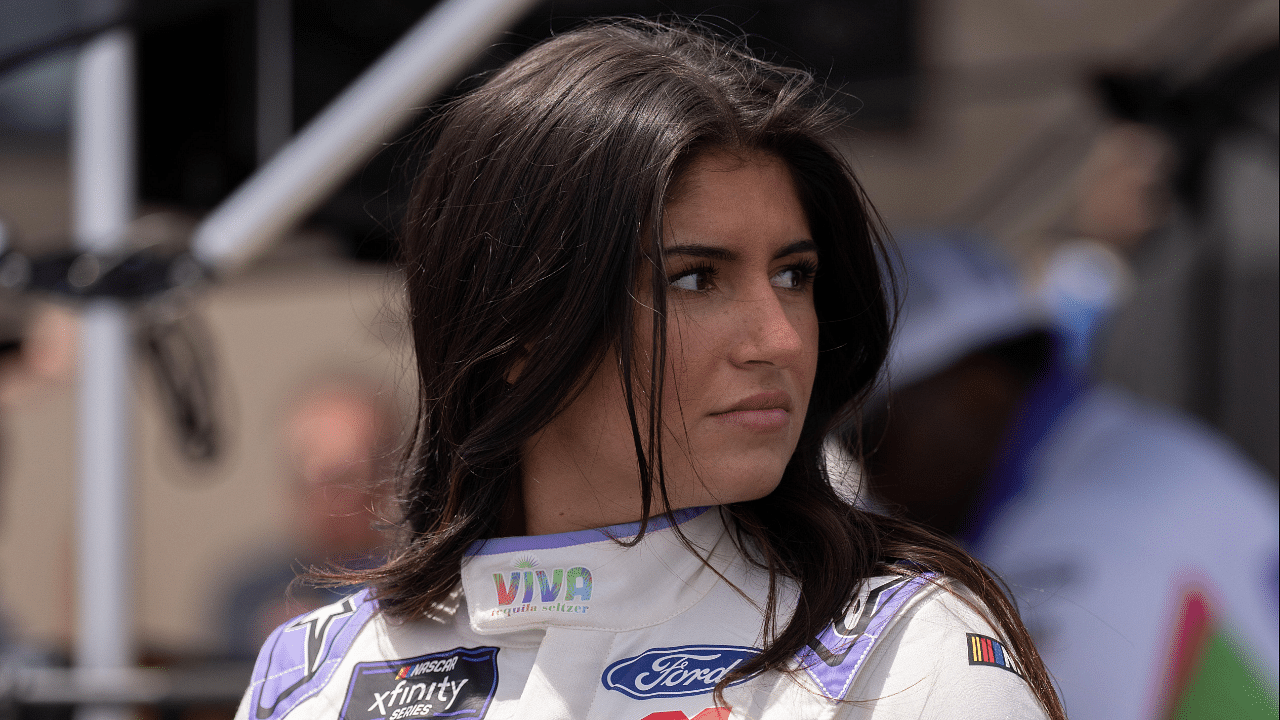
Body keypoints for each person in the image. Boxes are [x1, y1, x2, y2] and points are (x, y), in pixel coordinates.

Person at [235, 20, 1065, 720]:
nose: (776, 337)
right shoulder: (317, 678)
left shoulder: (901, 656)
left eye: (793, 276)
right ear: (520, 326)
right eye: (696, 279)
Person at [858, 233, 1278, 720]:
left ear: (979, 386)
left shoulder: (1077, 536)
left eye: (869, 430)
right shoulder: (1123, 446)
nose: (865, 469)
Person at [219, 375, 399, 659]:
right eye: (306, 478)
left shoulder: (416, 586)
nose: (325, 498)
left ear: (386, 479)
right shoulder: (251, 595)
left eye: (343, 479)